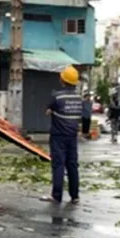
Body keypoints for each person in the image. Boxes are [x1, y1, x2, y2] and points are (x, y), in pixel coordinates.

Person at [41, 65, 81, 204]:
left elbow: (47, 111)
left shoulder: (57, 96)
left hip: (58, 136)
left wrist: (53, 111)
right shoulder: (78, 98)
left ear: (62, 80)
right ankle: (75, 196)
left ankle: (56, 195)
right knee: (72, 165)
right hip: (72, 136)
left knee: (58, 165)